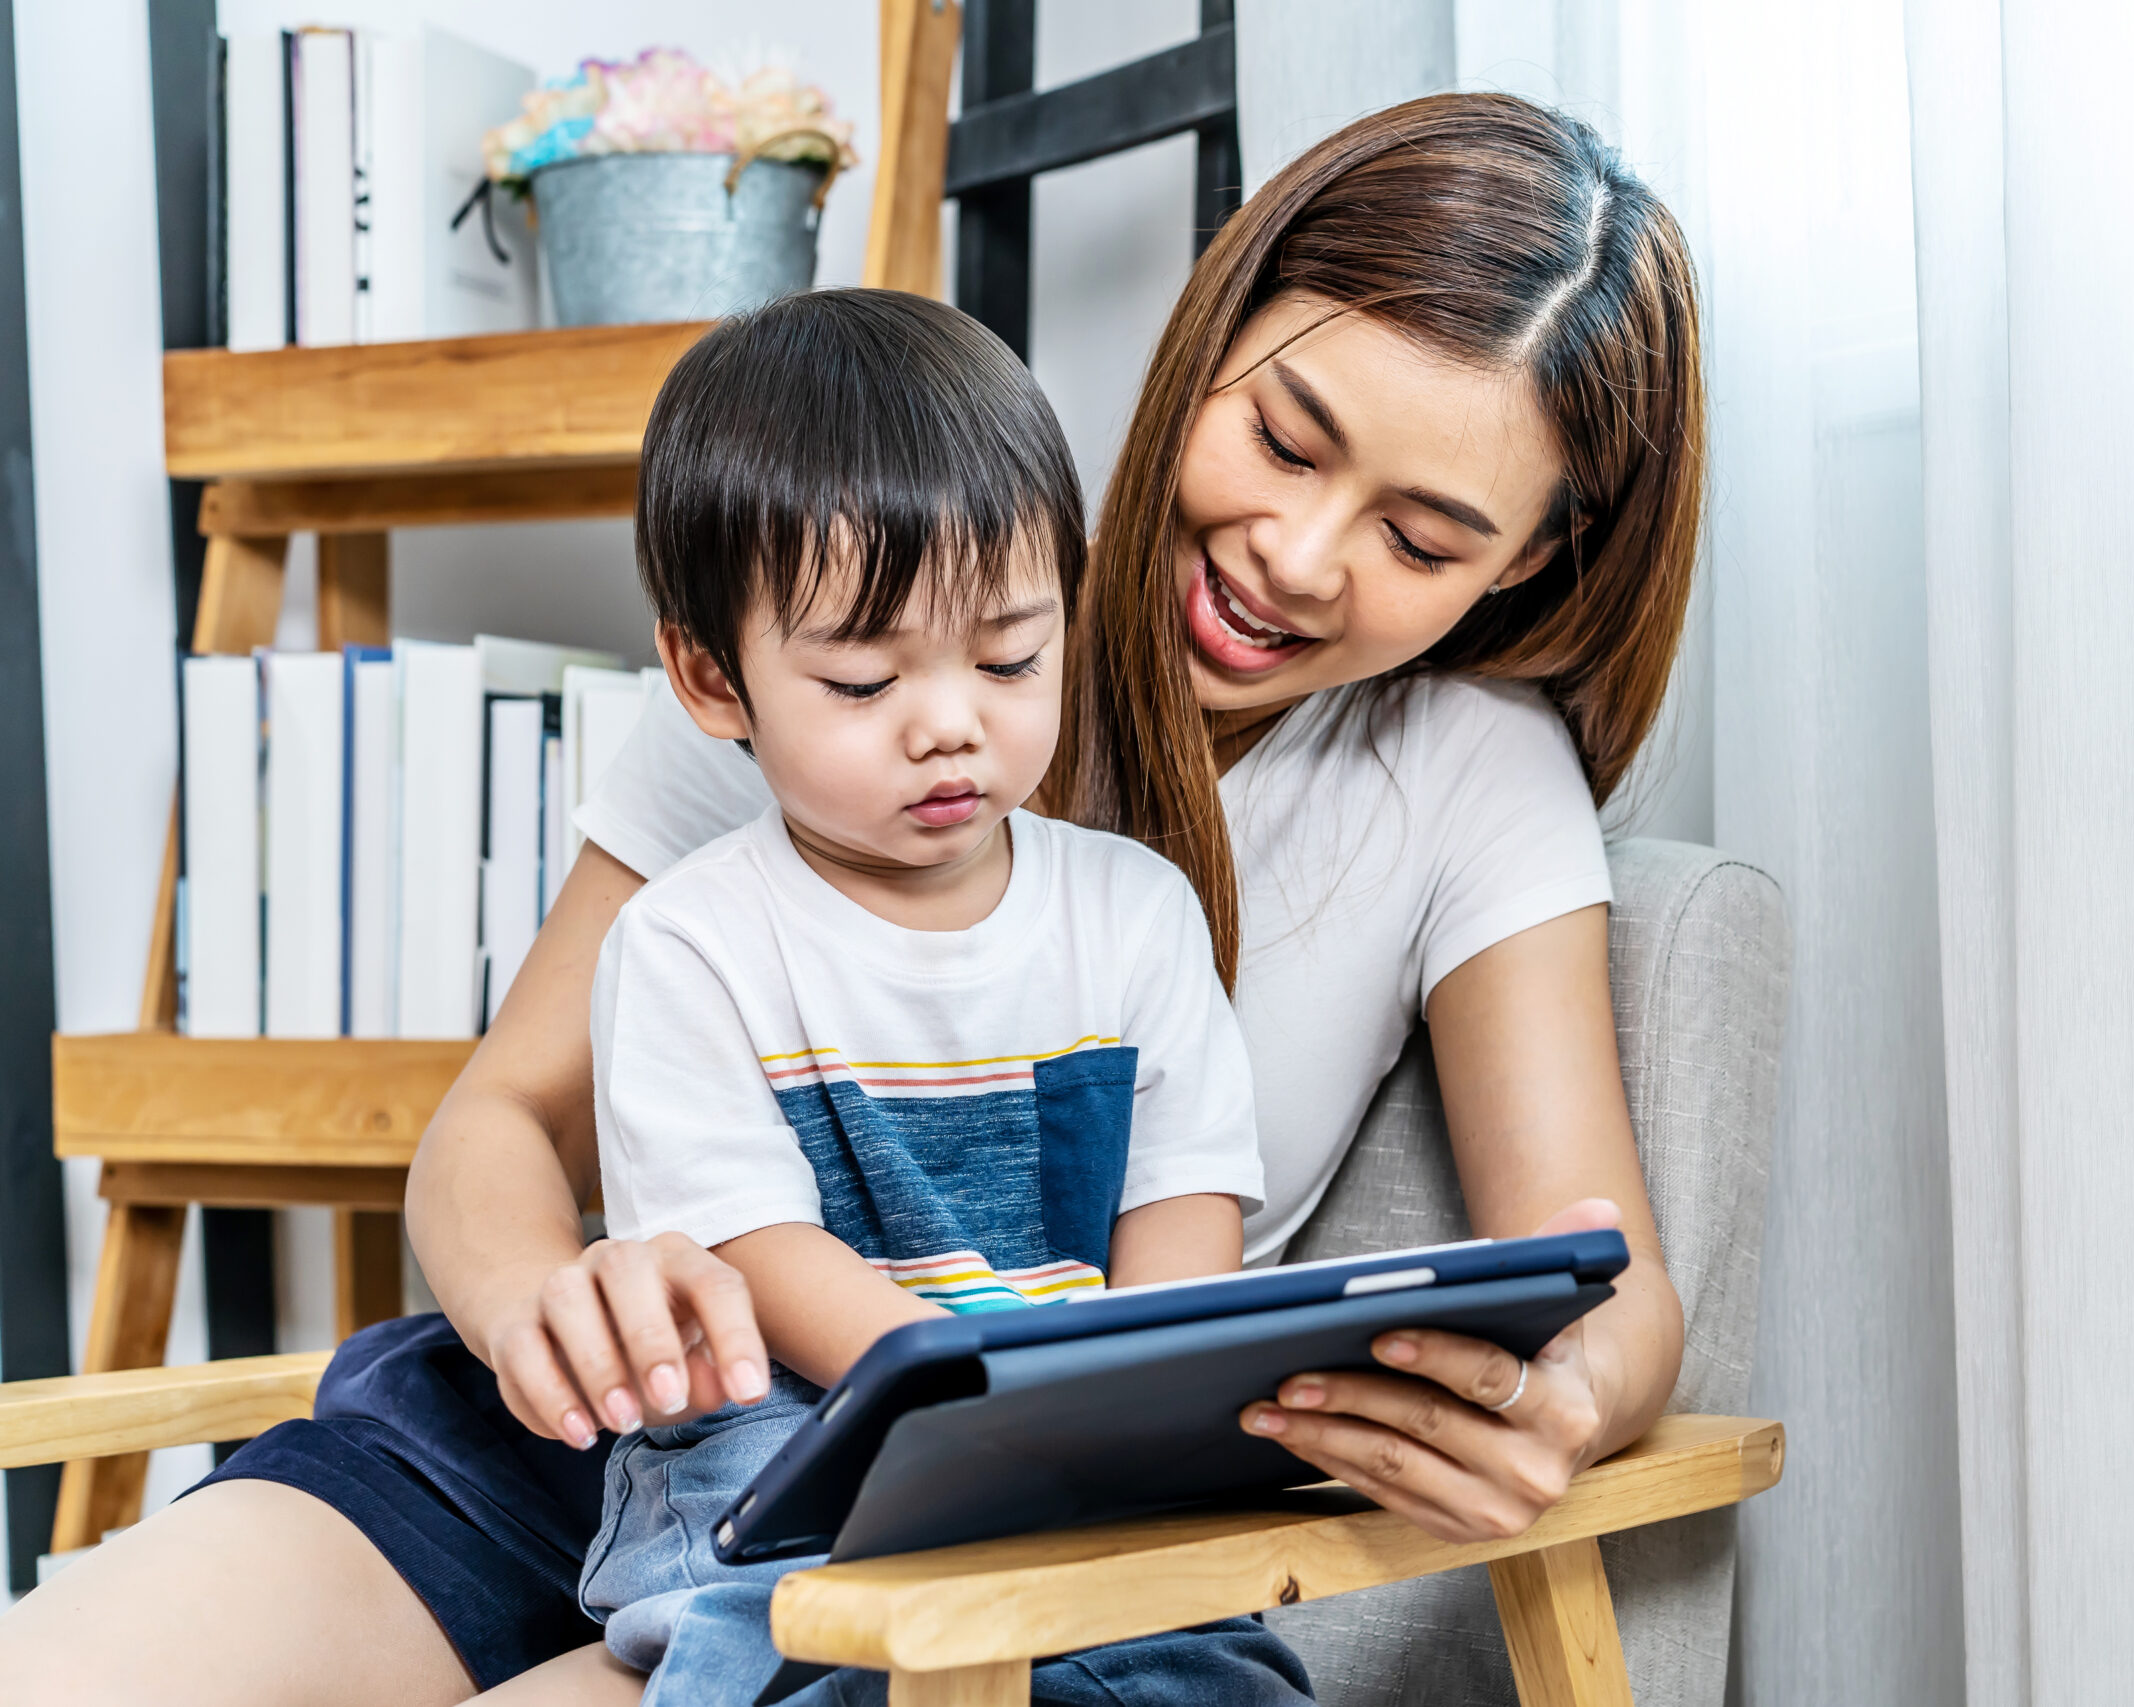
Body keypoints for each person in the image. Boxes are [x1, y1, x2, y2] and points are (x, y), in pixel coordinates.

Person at [0, 93, 1706, 1707]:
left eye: (1422, 539)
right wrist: (544, 1310)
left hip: (982, 1507)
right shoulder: (848, 606)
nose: (1297, 554)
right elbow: (499, 1124)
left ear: (1532, 560)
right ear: (1218, 326)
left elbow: (1610, 1281)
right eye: (1282, 436)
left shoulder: (1465, 774)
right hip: (617, 1424)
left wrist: (1559, 1404)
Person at [568, 290, 1303, 1706]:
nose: (951, 719)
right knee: (800, 1645)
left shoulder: (1136, 911)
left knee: (1214, 1664)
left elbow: (1184, 1216)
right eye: (861, 679)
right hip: (791, 1440)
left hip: (1074, 1432)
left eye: (1012, 656)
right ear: (712, 678)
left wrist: (1123, 1419)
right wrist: (985, 1410)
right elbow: (756, 1250)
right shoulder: (686, 942)